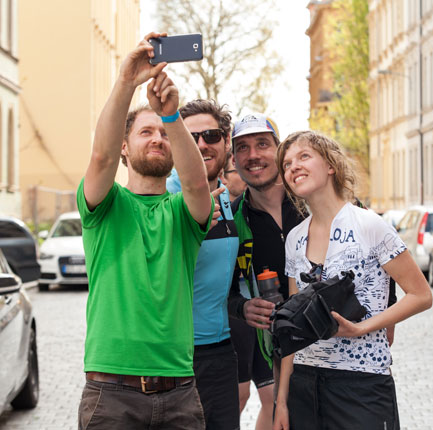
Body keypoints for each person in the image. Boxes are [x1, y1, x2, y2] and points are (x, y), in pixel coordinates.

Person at [77, 32, 215, 429]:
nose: (158, 139)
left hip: (180, 393)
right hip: (111, 394)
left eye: (164, 135)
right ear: (125, 147)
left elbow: (195, 184)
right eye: (145, 132)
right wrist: (126, 81)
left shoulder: (184, 214)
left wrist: (171, 116)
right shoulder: (104, 206)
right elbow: (99, 156)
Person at [273, 131, 433, 430]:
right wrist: (281, 401)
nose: (293, 167)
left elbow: (421, 295)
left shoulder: (369, 225)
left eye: (304, 156)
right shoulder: (295, 238)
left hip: (362, 384)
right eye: (286, 164)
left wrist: (360, 328)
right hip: (305, 384)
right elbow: (292, 330)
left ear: (331, 165)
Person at [227, 113, 305, 430]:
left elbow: (373, 253)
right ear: (233, 159)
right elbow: (219, 290)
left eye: (262, 144)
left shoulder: (314, 203)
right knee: (277, 414)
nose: (253, 155)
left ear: (279, 149)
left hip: (331, 343)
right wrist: (242, 307)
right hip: (271, 347)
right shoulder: (231, 222)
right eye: (242, 148)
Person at [166, 99, 241, 429]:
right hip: (171, 354)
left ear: (226, 141)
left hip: (220, 352)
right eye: (190, 136)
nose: (201, 144)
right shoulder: (164, 196)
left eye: (211, 135)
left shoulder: (226, 195)